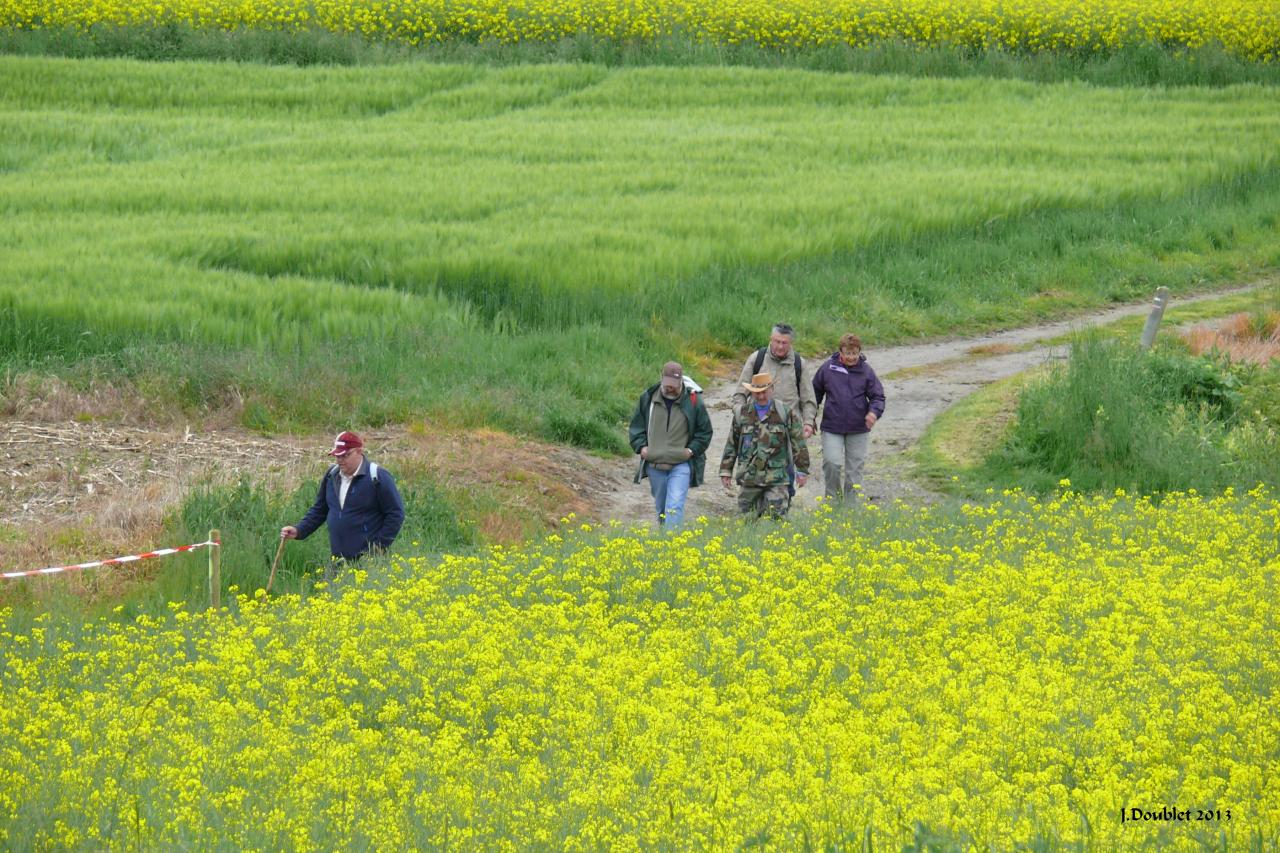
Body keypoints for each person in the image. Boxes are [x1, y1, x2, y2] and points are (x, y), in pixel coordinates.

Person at [280, 431, 405, 572]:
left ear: (359, 451)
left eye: (345, 455)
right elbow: (320, 510)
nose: (340, 460)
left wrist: (377, 549)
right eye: (337, 456)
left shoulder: (378, 477)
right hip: (337, 560)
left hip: (370, 563)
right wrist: (299, 530)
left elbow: (396, 514)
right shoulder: (331, 476)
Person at [730, 323, 817, 497]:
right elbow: (739, 394)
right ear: (771, 339)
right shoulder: (757, 359)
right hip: (757, 430)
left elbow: (808, 399)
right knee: (755, 472)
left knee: (786, 475)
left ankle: (781, 511)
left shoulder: (799, 364)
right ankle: (753, 509)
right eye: (777, 341)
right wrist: (741, 415)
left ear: (790, 343)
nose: (780, 346)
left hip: (786, 431)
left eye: (784, 343)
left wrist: (808, 422)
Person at [628, 361, 714, 530]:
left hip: (681, 464)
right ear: (661, 379)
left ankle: (672, 545)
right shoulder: (648, 398)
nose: (670, 388)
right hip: (655, 465)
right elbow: (636, 427)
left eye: (674, 385)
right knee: (662, 509)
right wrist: (642, 448)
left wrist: (690, 451)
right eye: (667, 384)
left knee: (674, 507)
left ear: (681, 381)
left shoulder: (694, 400)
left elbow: (705, 432)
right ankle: (665, 542)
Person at [719, 373, 810, 518]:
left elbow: (798, 442)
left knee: (777, 520)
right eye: (757, 393)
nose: (761, 396)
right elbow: (732, 443)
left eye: (764, 392)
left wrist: (802, 470)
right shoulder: (741, 414)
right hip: (749, 477)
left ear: (772, 389)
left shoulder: (785, 412)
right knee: (746, 521)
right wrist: (725, 471)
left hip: (777, 478)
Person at [813, 333, 886, 504]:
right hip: (832, 426)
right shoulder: (827, 368)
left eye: (855, 353)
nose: (852, 357)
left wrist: (873, 413)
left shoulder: (866, 371)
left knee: (854, 470)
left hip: (858, 428)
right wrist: (810, 418)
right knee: (832, 463)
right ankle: (832, 502)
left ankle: (851, 508)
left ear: (860, 352)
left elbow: (878, 396)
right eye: (848, 353)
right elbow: (814, 394)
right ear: (840, 352)